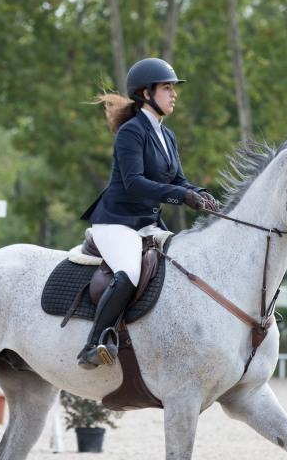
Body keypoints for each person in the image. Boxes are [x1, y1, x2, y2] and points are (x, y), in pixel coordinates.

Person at [77, 57, 218, 369]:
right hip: (116, 221)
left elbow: (178, 180)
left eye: (173, 89)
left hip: (147, 223)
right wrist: (182, 195)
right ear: (146, 93)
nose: (174, 94)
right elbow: (134, 182)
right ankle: (94, 343)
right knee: (128, 274)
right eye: (167, 88)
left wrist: (200, 193)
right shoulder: (131, 131)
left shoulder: (167, 136)